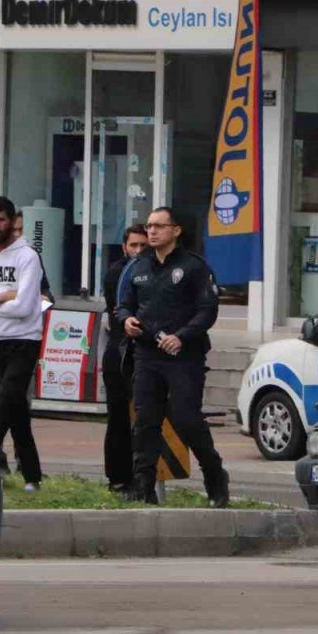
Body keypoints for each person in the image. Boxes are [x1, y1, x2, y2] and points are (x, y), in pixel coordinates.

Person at [117, 207, 229, 507]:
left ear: (176, 230)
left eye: (158, 226)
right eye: (148, 226)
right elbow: (124, 304)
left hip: (184, 356)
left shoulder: (194, 267)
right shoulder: (139, 266)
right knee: (145, 420)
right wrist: (126, 319)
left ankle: (215, 477)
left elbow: (208, 310)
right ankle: (143, 486)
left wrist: (181, 336)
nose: (151, 231)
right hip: (146, 355)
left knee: (186, 418)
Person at [0, 196, 44, 492]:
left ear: (11, 221)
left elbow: (24, 307)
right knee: (15, 409)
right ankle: (33, 476)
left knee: (0, 406)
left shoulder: (27, 257)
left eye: (0, 219)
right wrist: (0, 296)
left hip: (24, 341)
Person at [101, 224, 147, 492]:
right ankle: (117, 477)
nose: (138, 251)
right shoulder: (119, 273)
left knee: (144, 417)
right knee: (118, 416)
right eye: (134, 245)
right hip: (120, 352)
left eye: (143, 245)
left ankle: (141, 477)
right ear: (124, 247)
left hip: (144, 353)